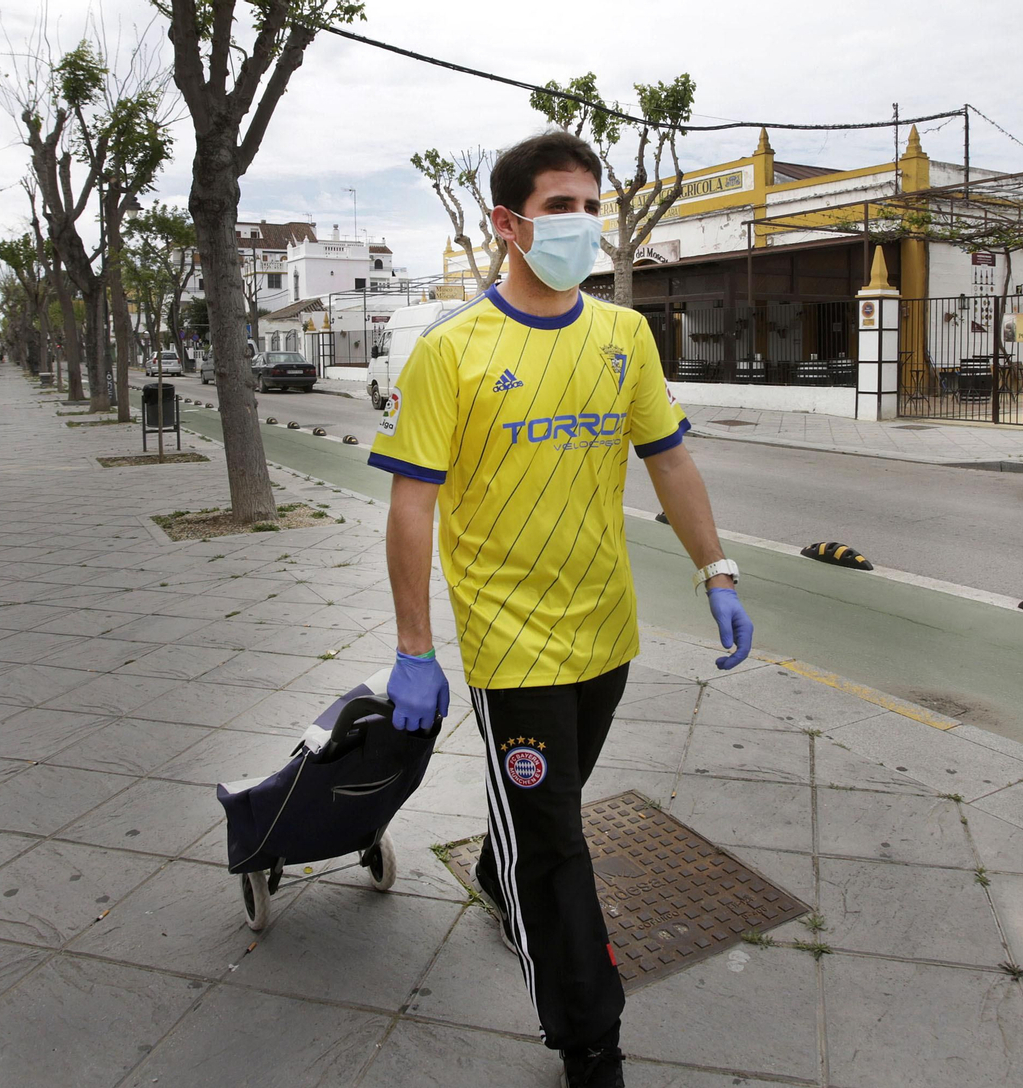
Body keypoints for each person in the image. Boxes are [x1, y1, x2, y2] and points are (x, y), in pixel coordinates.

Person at [368, 129, 754, 1088]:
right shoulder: (451, 351)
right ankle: (589, 1037)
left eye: (592, 206)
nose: (582, 224)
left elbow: (670, 460)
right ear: (508, 223)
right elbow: (411, 503)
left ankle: (507, 862)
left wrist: (717, 571)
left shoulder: (624, 336)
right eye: (561, 207)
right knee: (559, 849)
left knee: (556, 810)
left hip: (607, 631)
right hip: (511, 645)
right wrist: (417, 647)